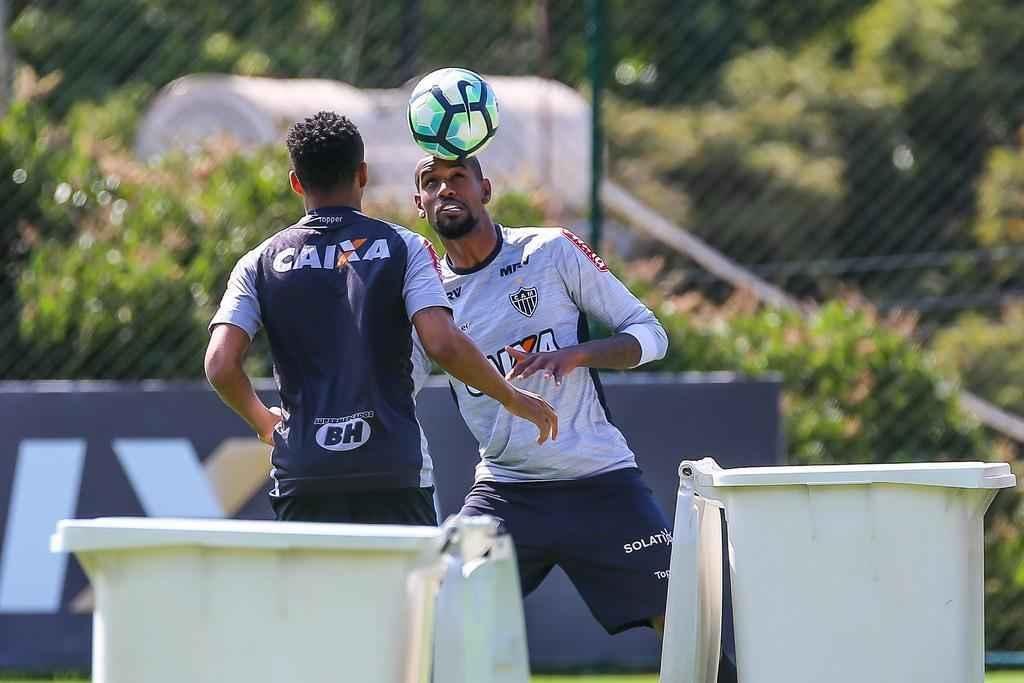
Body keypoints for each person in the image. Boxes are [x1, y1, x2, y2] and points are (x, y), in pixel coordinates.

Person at [204, 111, 557, 527]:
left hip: (304, 471)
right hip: (392, 467)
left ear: (296, 182)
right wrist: (512, 397)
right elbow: (442, 344)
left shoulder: (258, 262)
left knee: (318, 595)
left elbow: (220, 365)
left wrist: (263, 421)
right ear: (363, 174)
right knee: (408, 594)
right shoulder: (405, 247)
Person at [411, 154, 674, 635]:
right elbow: (401, 384)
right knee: (438, 619)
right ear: (419, 203)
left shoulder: (549, 251)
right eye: (432, 183)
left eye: (457, 179)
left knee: (685, 622)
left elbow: (651, 335)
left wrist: (577, 354)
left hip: (600, 479)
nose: (445, 190)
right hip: (506, 492)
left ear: (485, 190)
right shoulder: (427, 297)